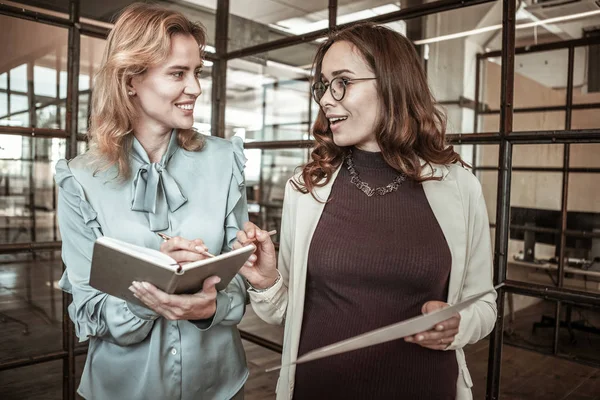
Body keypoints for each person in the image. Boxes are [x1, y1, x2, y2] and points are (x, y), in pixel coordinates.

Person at [236, 22, 497, 400]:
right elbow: (286, 312)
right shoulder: (306, 187)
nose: (326, 99)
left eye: (342, 81)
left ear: (393, 84)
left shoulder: (459, 186)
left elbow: (484, 303)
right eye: (323, 85)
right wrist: (265, 282)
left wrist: (459, 324)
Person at [55, 3, 248, 399]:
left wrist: (210, 307)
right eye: (178, 73)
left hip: (220, 386)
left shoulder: (225, 160)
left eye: (197, 72)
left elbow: (242, 280)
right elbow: (86, 312)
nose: (194, 87)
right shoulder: (80, 178)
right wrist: (146, 299)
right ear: (130, 80)